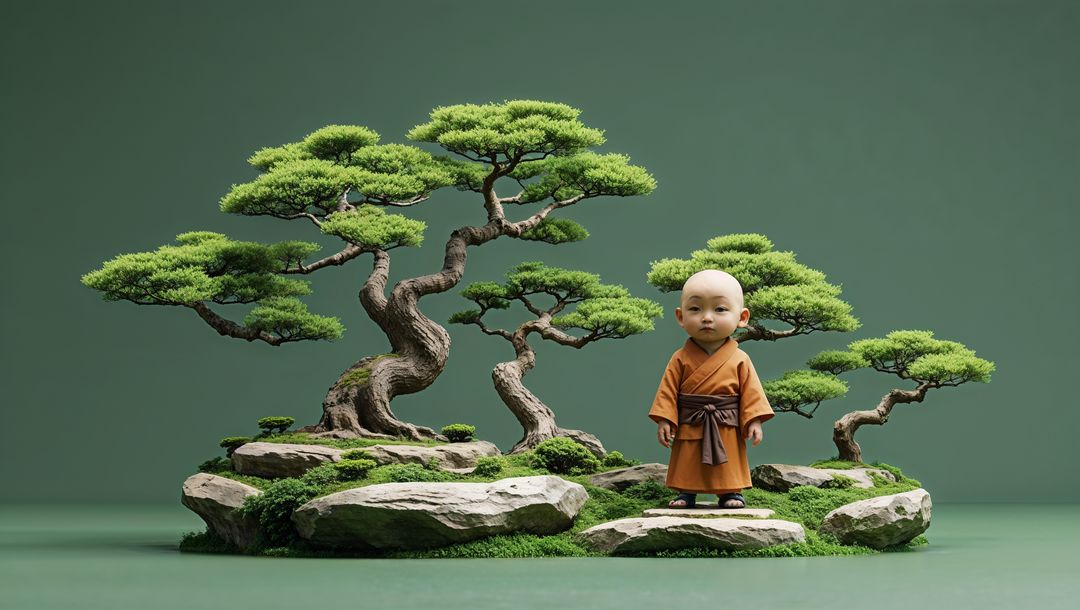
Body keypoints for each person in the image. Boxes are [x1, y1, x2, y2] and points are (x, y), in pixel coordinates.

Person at [647, 269, 775, 509]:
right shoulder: (680, 358)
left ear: (742, 317)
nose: (707, 317)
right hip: (691, 420)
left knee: (728, 458)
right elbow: (667, 392)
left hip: (726, 422)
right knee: (689, 457)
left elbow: (752, 394)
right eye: (695, 309)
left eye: (720, 309)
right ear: (680, 316)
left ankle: (730, 492)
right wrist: (665, 420)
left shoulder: (740, 358)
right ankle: (686, 492)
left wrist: (754, 420)